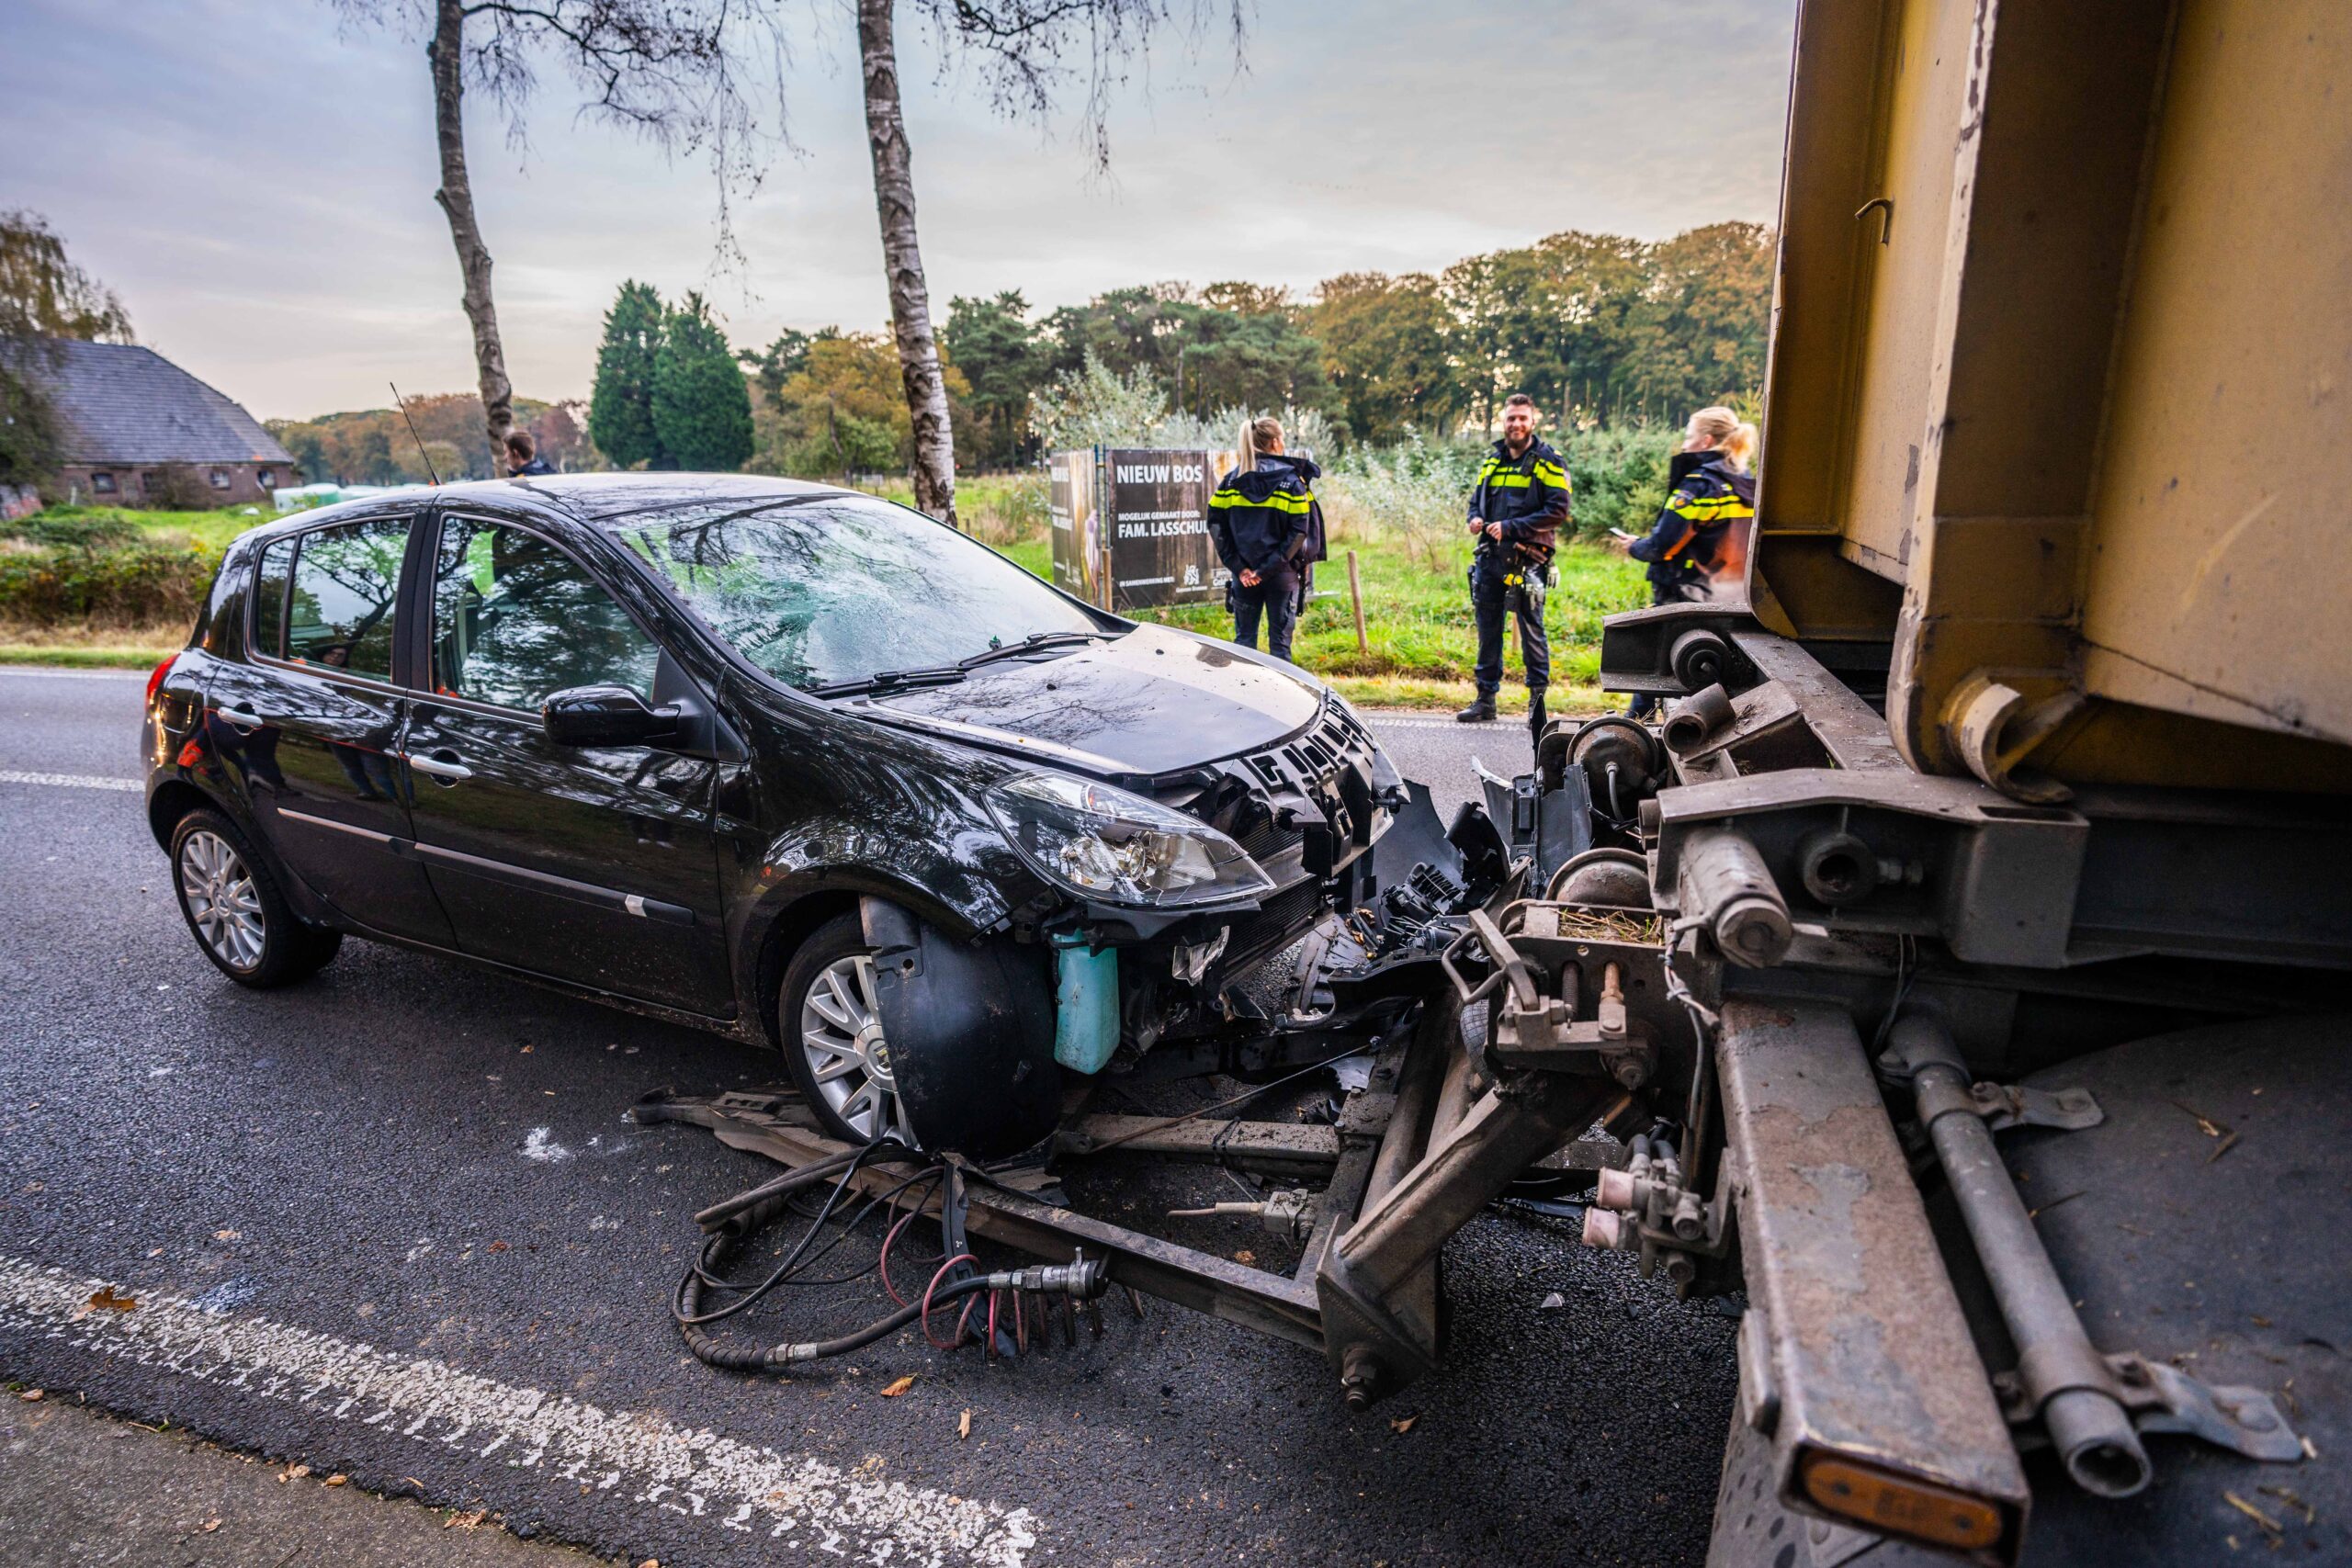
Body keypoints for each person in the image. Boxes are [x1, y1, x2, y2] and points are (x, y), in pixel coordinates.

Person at [1620, 406, 1758, 718]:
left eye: (1688, 436)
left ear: (1706, 440)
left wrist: (1634, 546)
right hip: (1731, 593)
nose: (1684, 445)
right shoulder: (1746, 482)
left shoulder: (1698, 485)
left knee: (1659, 664)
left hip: (1687, 594)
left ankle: (1637, 725)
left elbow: (1662, 545)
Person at [1458, 392, 1571, 733]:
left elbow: (1558, 511)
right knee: (1487, 631)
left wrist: (1510, 527)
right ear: (1503, 421)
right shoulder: (1493, 460)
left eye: (1522, 418)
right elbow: (1474, 502)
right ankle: (1485, 701)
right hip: (1490, 559)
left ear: (1533, 421)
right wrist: (1475, 519)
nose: (1516, 424)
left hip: (1528, 561)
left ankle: (1537, 708)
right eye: (1511, 418)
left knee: (1532, 632)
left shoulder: (1549, 461)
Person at [1209, 416, 1325, 662]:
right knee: (1280, 650)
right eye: (1282, 438)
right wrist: (1266, 570)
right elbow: (1298, 533)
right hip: (1282, 576)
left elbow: (1216, 526)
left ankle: (1244, 699)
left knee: (1243, 646)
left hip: (1244, 579)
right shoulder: (1293, 483)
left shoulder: (1230, 482)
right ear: (1274, 442)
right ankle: (1280, 701)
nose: (1283, 443)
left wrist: (1242, 570)